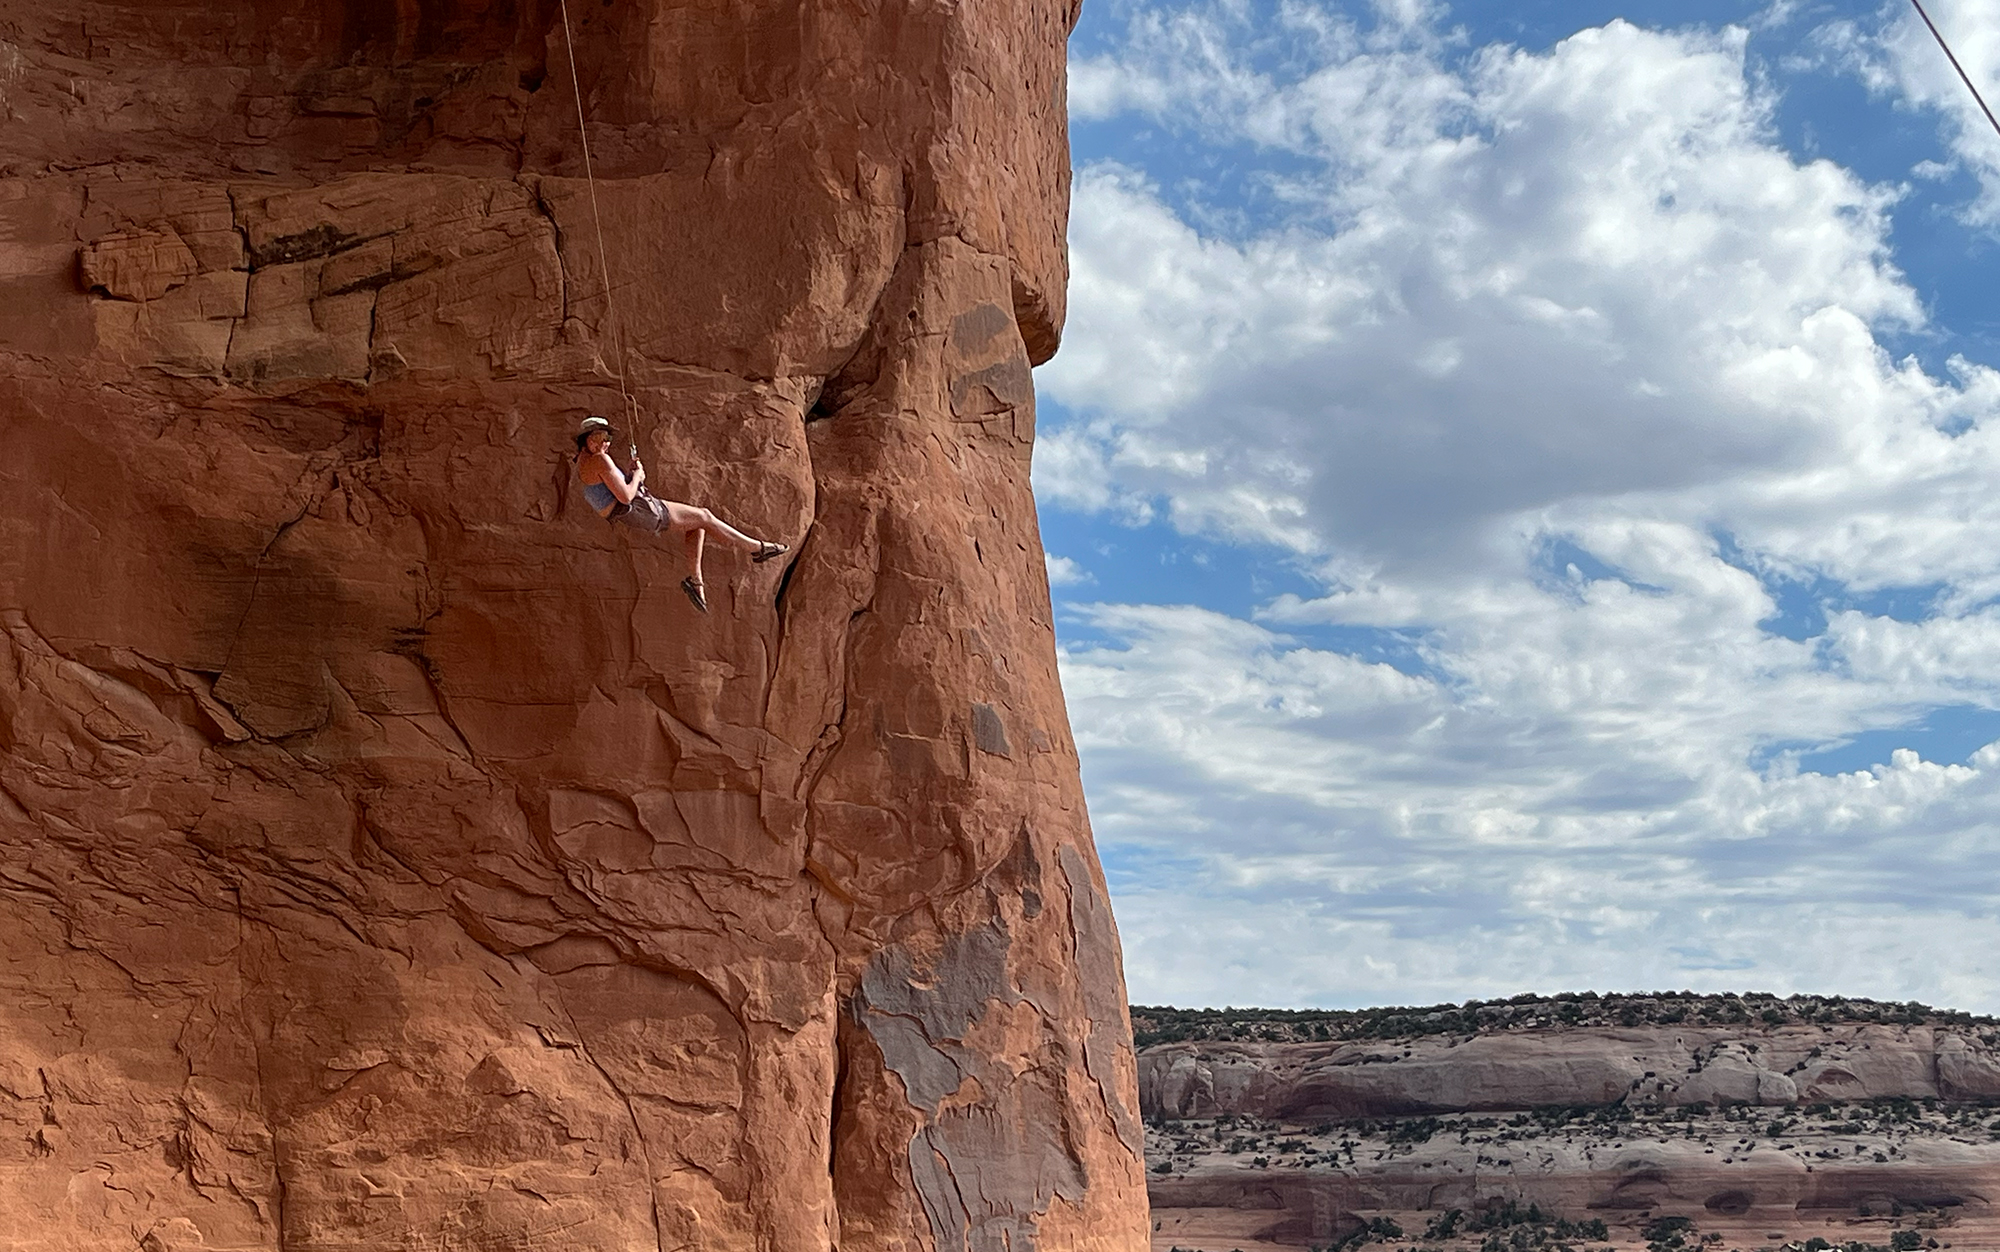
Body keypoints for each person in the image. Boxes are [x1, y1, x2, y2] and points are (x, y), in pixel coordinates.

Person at [573, 415, 789, 612]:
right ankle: (757, 548)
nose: (604, 443)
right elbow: (626, 497)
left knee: (697, 523)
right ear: (585, 439)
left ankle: (696, 582)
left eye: (607, 437)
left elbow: (612, 489)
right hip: (637, 510)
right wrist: (637, 475)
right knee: (704, 516)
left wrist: (630, 475)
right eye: (598, 437)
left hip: (632, 512)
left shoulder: (583, 461)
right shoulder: (600, 459)